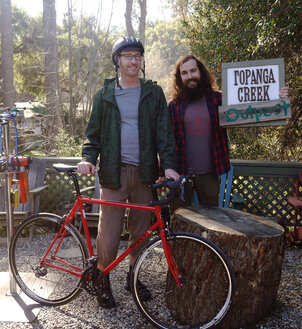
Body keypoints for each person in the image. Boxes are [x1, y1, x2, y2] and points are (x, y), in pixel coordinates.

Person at [77, 37, 179, 309]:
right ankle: (103, 278)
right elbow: (93, 135)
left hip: (145, 172)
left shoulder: (152, 92)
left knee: (141, 228)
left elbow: (164, 133)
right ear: (117, 60)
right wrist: (87, 159)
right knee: (109, 230)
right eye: (127, 56)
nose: (134, 60)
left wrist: (168, 164)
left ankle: (133, 276)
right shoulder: (104, 95)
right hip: (113, 171)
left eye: (137, 56)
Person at [168, 54, 290, 208]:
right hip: (180, 173)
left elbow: (252, 103)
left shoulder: (219, 99)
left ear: (201, 72)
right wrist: (163, 170)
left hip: (209, 173)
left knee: (212, 220)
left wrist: (279, 96)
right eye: (184, 73)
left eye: (193, 71)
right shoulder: (173, 105)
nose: (190, 76)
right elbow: (166, 141)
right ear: (179, 78)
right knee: (178, 218)